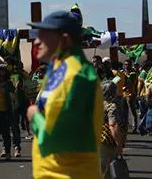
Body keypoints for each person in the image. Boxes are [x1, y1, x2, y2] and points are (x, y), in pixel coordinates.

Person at [27, 11, 103, 178]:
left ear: (65, 40)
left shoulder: (76, 75)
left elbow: (62, 137)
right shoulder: (58, 68)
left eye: (44, 35)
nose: (37, 41)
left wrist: (34, 116)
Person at [100, 81, 124, 179]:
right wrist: (119, 143)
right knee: (107, 172)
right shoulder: (111, 106)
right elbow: (113, 125)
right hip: (106, 141)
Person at [122, 59, 138, 133]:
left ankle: (134, 127)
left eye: (128, 64)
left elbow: (128, 82)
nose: (126, 66)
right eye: (125, 64)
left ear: (131, 65)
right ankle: (125, 126)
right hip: (123, 94)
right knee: (124, 111)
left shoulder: (133, 73)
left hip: (131, 94)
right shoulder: (123, 73)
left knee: (132, 111)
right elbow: (115, 81)